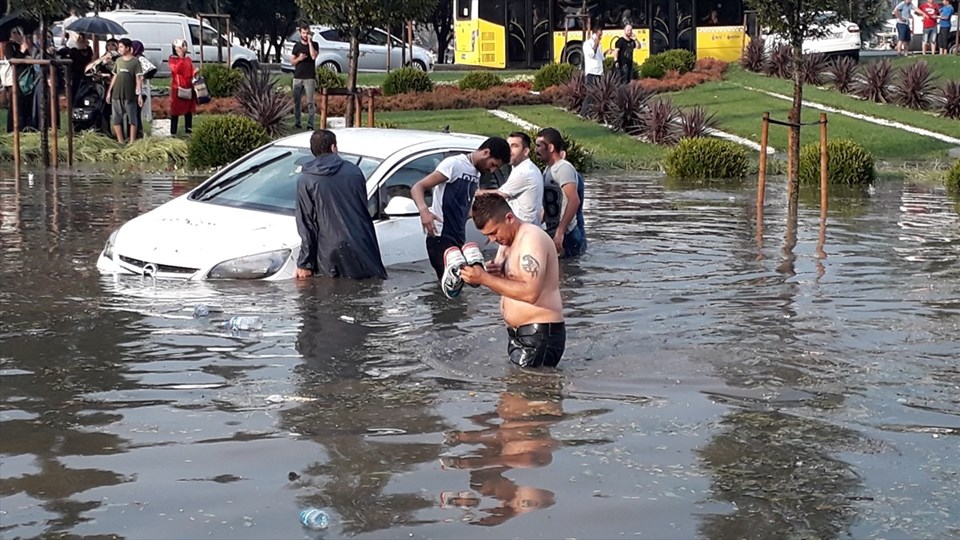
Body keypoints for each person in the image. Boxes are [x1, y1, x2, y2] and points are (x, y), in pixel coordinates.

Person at [460, 194, 566, 368]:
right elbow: (508, 288)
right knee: (512, 393)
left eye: (494, 232)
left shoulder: (531, 239)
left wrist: (485, 278)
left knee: (525, 393)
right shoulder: (506, 242)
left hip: (540, 334)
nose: (492, 239)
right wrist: (492, 276)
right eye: (487, 235)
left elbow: (530, 293)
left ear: (509, 218)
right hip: (519, 334)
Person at [411, 137, 510, 280]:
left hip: (458, 238)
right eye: (493, 164)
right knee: (452, 286)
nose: (492, 170)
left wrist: (489, 229)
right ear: (486, 153)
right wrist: (424, 211)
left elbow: (466, 210)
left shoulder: (475, 174)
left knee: (460, 284)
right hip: (441, 237)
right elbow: (418, 187)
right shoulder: (454, 164)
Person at [295, 129, 388, 280]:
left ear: (313, 151)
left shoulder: (306, 180)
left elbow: (307, 224)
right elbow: (362, 207)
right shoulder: (354, 171)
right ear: (333, 147)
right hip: (363, 245)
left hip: (329, 251)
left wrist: (304, 263)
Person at [535, 128, 586, 258]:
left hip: (567, 234)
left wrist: (560, 231)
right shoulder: (548, 170)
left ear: (551, 147)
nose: (536, 150)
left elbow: (574, 200)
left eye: (539, 146)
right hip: (555, 231)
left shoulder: (563, 168)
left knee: (567, 274)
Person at [477, 132, 544, 225]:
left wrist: (474, 193)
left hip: (524, 230)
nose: (509, 150)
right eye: (508, 146)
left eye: (514, 146)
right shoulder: (518, 168)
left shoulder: (524, 172)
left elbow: (499, 195)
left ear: (526, 151)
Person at [105, 38, 142, 143]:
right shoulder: (118, 61)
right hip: (117, 94)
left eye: (121, 47)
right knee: (116, 119)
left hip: (129, 95)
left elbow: (138, 79)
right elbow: (115, 76)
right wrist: (109, 92)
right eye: (119, 47)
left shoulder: (135, 62)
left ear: (128, 48)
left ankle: (132, 141)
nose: (119, 49)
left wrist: (139, 95)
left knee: (132, 119)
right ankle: (120, 141)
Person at [291, 25, 319, 130]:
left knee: (310, 102)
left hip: (309, 77)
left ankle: (310, 124)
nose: (305, 35)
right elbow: (292, 62)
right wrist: (299, 58)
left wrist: (310, 43)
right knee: (296, 101)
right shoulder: (297, 46)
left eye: (307, 33)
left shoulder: (315, 45)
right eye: (303, 33)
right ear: (300, 33)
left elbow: (313, 56)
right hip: (298, 76)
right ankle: (297, 122)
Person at [4, 28, 31, 133]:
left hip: (24, 78)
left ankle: (25, 127)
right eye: (14, 32)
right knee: (14, 104)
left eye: (19, 32)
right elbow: (12, 60)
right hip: (13, 79)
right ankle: (12, 129)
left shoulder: (21, 45)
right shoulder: (9, 46)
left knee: (24, 104)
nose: (17, 35)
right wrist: (22, 51)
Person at [168, 38, 197, 135]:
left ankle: (188, 131)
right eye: (182, 45)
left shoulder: (188, 59)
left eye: (185, 45)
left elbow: (190, 70)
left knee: (188, 110)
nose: (184, 47)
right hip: (178, 88)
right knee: (175, 110)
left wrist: (195, 73)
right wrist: (180, 58)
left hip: (188, 86)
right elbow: (175, 70)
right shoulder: (172, 59)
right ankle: (173, 132)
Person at [131, 40, 156, 138]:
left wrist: (142, 77)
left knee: (137, 114)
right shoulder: (134, 58)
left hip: (141, 90)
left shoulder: (140, 59)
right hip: (136, 89)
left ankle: (138, 134)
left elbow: (151, 70)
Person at [58, 32, 93, 100]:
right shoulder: (69, 50)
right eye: (78, 35)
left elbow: (90, 60)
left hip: (85, 76)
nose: (80, 37)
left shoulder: (88, 49)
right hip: (73, 76)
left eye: (83, 35)